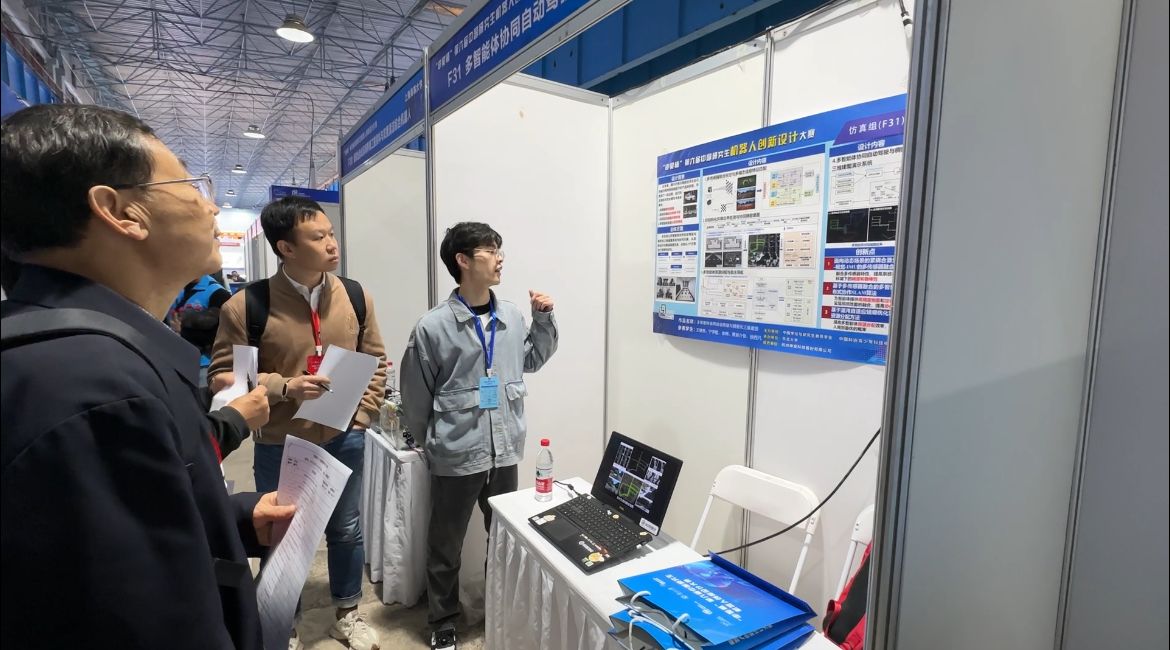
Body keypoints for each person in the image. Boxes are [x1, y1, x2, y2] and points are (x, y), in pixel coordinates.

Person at [0, 104, 294, 649]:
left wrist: (229, 519)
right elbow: (146, 622)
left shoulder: (81, 358)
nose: (210, 206)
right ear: (121, 212)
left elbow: (104, 554)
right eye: (190, 186)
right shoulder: (96, 390)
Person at [209, 195, 387, 650]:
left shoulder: (354, 296)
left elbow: (376, 361)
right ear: (286, 248)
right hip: (280, 442)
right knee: (281, 532)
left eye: (331, 233)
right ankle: (281, 623)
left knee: (346, 529)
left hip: (345, 436)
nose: (332, 244)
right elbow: (224, 377)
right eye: (318, 237)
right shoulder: (247, 306)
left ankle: (347, 613)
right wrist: (284, 386)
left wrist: (363, 415)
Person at [399, 222, 558, 650]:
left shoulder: (511, 316)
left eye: (499, 249)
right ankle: (443, 622)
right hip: (456, 453)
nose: (500, 257)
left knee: (504, 539)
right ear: (463, 260)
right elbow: (415, 398)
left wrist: (543, 319)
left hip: (504, 451)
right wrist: (434, 443)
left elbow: (532, 360)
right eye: (490, 250)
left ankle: (500, 608)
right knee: (445, 544)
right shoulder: (432, 327)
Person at [168, 272, 232, 385]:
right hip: (175, 361)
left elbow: (222, 336)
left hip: (204, 365)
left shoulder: (218, 293)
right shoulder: (175, 289)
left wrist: (182, 331)